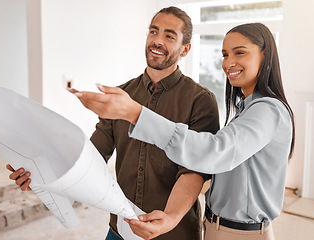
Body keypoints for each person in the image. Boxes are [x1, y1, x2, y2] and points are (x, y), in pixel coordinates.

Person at [6, 6, 219, 240]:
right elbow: (92, 159)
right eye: (153, 32)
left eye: (169, 36)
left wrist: (168, 218)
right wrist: (42, 179)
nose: (157, 41)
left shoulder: (201, 100)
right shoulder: (120, 96)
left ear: (185, 49)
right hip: (121, 231)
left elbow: (194, 172)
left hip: (174, 233)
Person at [72, 22, 295, 240]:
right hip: (195, 226)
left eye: (240, 52)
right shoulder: (246, 109)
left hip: (236, 233)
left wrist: (137, 114)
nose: (229, 62)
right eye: (225, 55)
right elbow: (93, 155)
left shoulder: (267, 110)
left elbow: (211, 155)